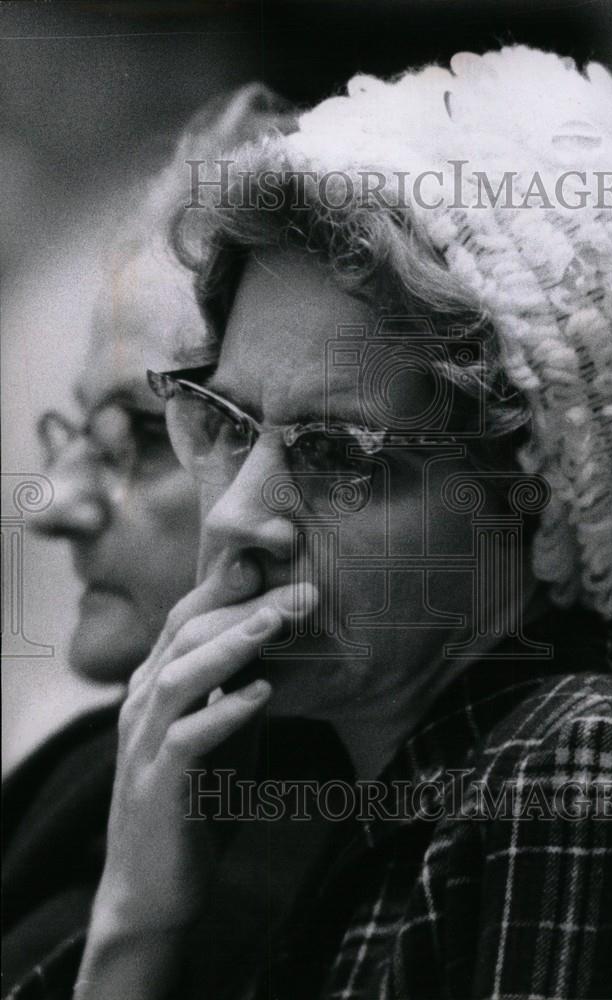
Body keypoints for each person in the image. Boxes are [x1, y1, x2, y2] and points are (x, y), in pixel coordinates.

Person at [42, 46, 612, 999]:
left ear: (543, 497)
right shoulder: (382, 804)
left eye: (341, 456)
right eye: (229, 428)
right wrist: (135, 926)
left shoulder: (586, 766)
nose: (240, 514)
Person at [1, 84, 313, 998]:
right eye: (77, 432)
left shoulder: (294, 846)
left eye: (143, 435)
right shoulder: (91, 783)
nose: (52, 506)